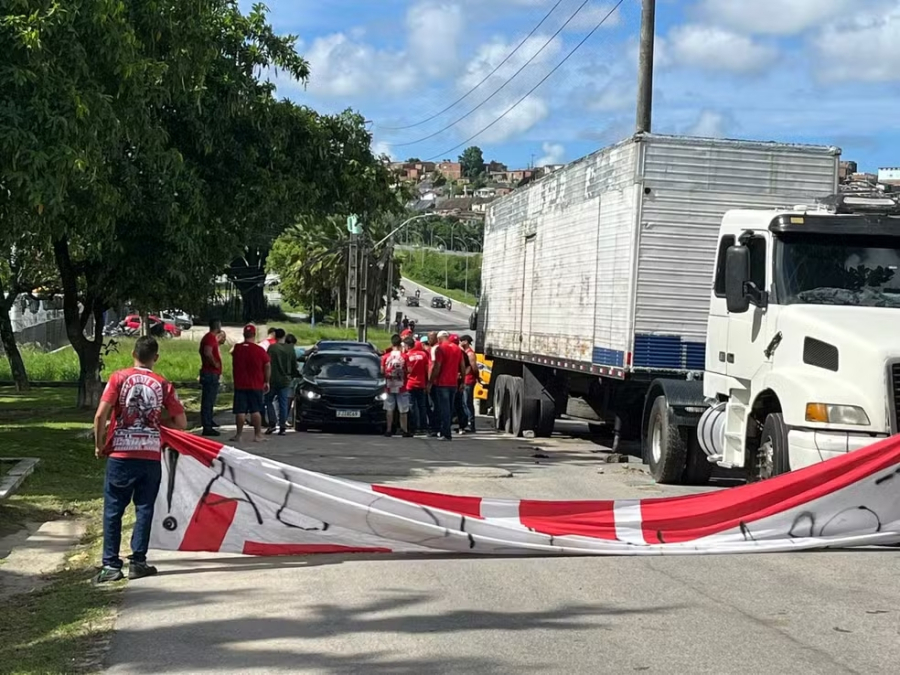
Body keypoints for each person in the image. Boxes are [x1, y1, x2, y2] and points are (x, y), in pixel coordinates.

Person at [92, 336, 187, 583]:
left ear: (133, 353)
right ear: (155, 358)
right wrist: (155, 423)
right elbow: (181, 423)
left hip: (121, 454)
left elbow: (100, 415)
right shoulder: (163, 384)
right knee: (144, 508)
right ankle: (138, 562)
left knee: (113, 509)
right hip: (149, 454)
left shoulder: (118, 378)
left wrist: (100, 444)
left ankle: (111, 565)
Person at [231, 324, 271, 443]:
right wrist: (267, 381)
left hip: (240, 384)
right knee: (256, 410)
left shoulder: (237, 348)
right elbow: (267, 365)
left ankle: (238, 435)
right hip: (256, 384)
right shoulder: (259, 350)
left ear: (244, 334)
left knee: (240, 411)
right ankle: (257, 435)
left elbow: (231, 351)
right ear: (254, 335)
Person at [430, 330, 466, 441]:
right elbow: (462, 366)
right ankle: (446, 430)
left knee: (444, 409)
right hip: (453, 383)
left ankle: (446, 433)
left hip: (443, 383)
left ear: (439, 339)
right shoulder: (457, 349)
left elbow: (437, 366)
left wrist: (431, 381)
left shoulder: (440, 349)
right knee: (450, 408)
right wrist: (463, 381)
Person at [264, 328, 299, 435]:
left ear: (275, 336)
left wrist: (265, 379)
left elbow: (267, 363)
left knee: (268, 400)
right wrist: (294, 375)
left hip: (273, 378)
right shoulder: (290, 349)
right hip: (285, 379)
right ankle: (282, 426)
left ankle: (272, 422)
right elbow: (294, 364)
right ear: (284, 336)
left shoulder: (272, 348)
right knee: (283, 403)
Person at [381, 333, 412, 437]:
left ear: (392, 343)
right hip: (402, 386)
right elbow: (409, 370)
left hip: (389, 386)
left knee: (389, 409)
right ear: (400, 344)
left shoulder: (385, 357)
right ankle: (404, 430)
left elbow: (382, 371)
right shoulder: (405, 356)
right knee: (403, 410)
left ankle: (389, 430)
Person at [199, 319, 223, 437]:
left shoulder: (212, 338)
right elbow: (207, 352)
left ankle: (209, 420)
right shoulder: (209, 338)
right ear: (217, 326)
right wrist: (214, 363)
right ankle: (206, 425)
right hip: (210, 373)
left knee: (211, 399)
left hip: (212, 373)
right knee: (208, 400)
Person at [404, 335, 430, 435]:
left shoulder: (407, 356)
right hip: (421, 383)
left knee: (412, 406)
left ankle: (414, 427)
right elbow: (427, 369)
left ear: (407, 346)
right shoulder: (423, 355)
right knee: (422, 406)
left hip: (410, 384)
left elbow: (406, 370)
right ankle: (424, 427)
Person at [459, 334, 478, 434]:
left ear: (466, 342)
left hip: (469, 380)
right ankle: (466, 424)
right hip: (465, 380)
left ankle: (471, 425)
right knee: (464, 403)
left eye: (461, 341)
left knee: (467, 403)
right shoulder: (465, 352)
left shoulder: (470, 354)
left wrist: (477, 377)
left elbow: (474, 367)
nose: (460, 343)